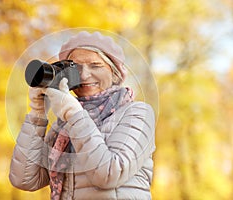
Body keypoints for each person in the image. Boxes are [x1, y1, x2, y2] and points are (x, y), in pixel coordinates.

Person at [9, 31, 156, 200]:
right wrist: (37, 113)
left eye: (95, 66)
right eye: (77, 68)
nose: (85, 75)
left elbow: (109, 174)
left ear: (115, 73)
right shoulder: (64, 124)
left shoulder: (137, 113)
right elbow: (25, 179)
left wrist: (74, 114)